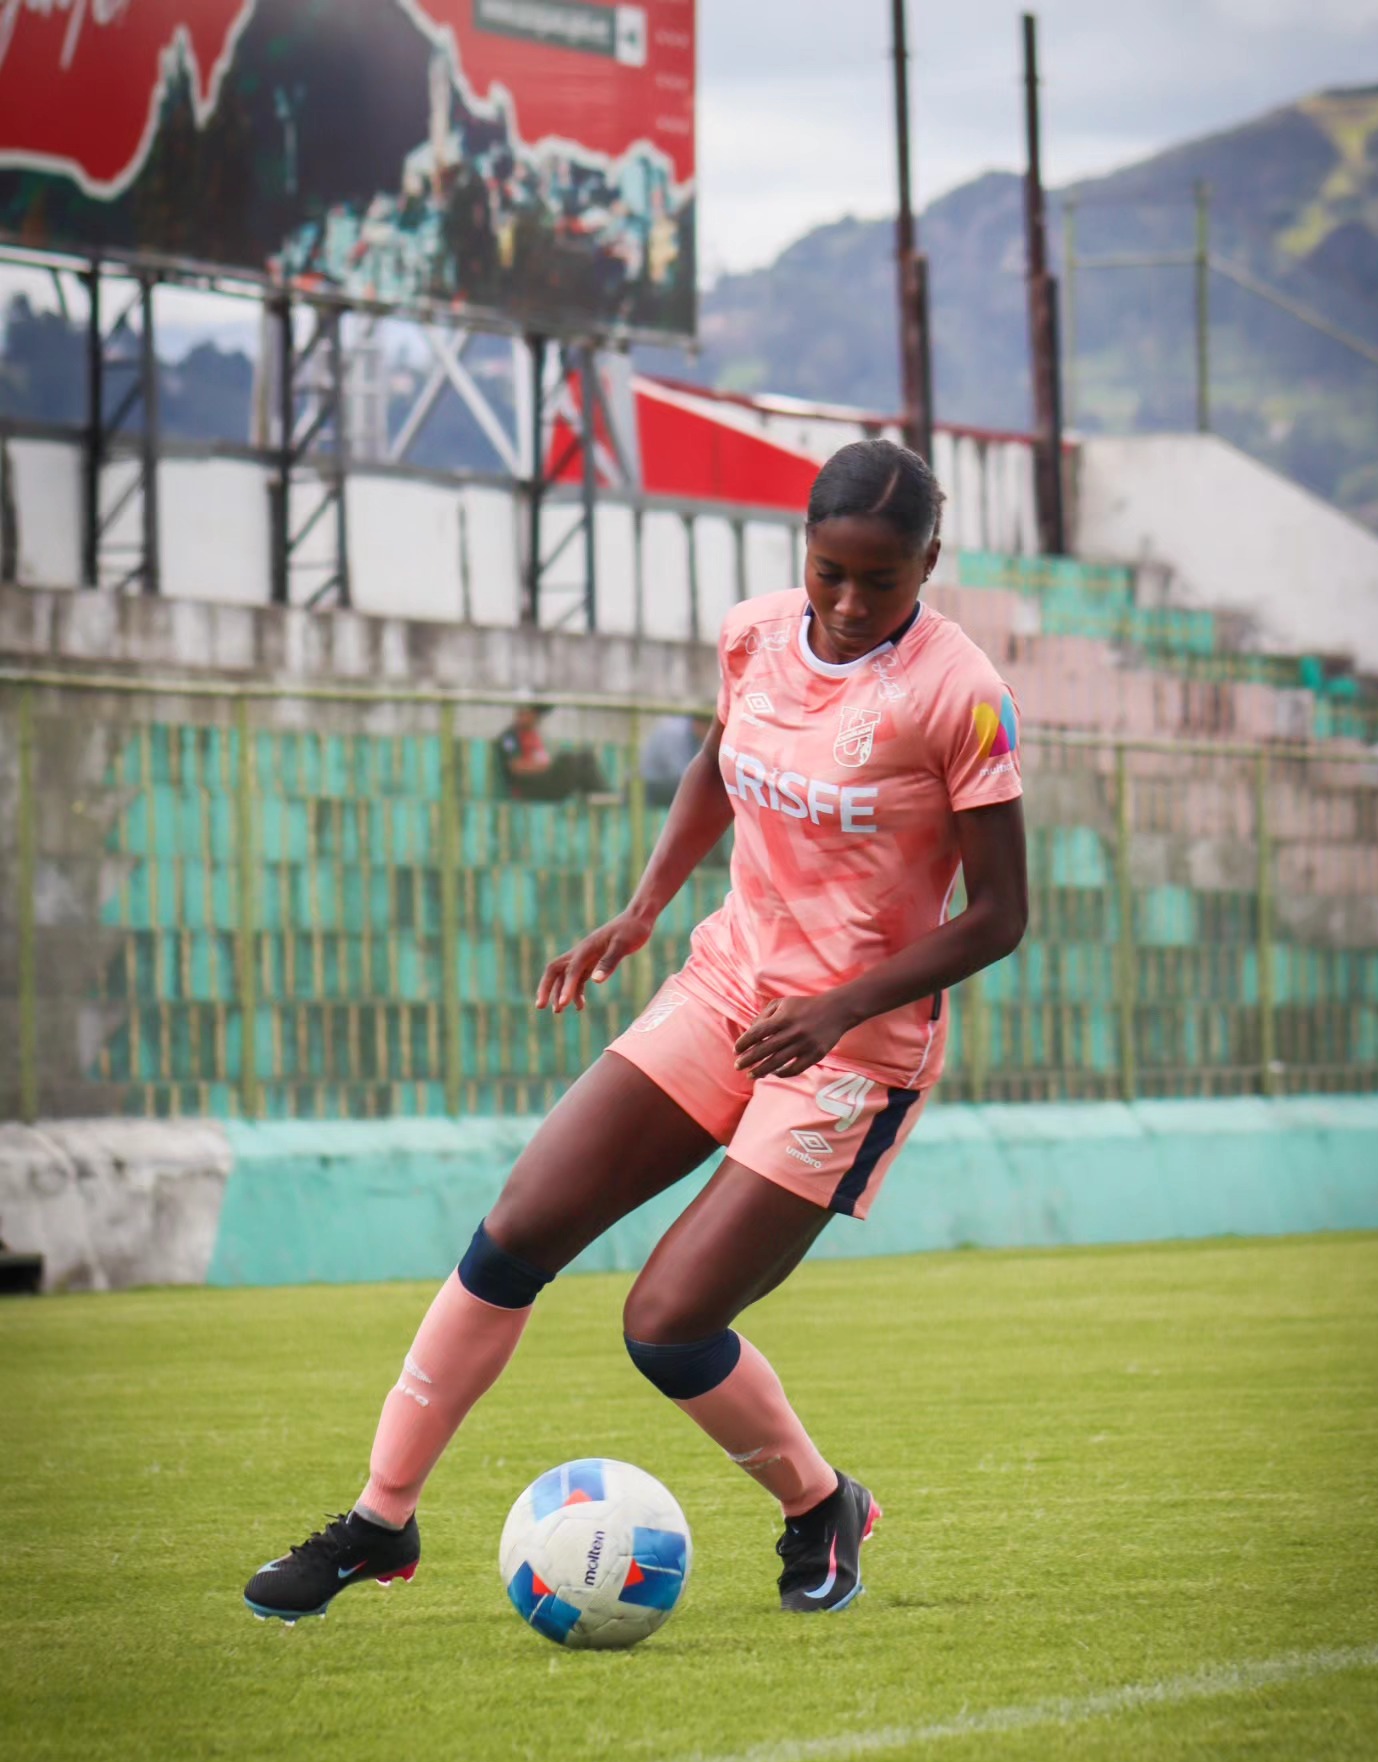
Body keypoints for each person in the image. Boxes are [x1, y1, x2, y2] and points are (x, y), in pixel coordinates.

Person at [244, 440, 1028, 1623]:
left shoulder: (958, 692)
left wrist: (841, 1005)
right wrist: (643, 907)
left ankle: (820, 1505)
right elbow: (722, 759)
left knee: (665, 1328)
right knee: (512, 1238)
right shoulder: (756, 634)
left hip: (853, 1050)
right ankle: (379, 1522)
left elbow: (1004, 916)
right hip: (724, 991)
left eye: (882, 581)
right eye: (829, 574)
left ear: (930, 560)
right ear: (801, 556)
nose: (851, 604)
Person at [495, 701, 611, 802]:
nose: (538, 718)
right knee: (568, 759)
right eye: (534, 713)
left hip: (544, 781)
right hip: (528, 789)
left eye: (538, 714)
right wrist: (548, 766)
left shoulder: (532, 734)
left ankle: (601, 796)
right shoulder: (509, 737)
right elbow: (516, 768)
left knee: (585, 759)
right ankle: (601, 795)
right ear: (522, 713)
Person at [640, 710, 709, 808]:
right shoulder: (675, 732)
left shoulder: (691, 732)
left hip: (665, 784)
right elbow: (680, 773)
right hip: (651, 784)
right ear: (701, 724)